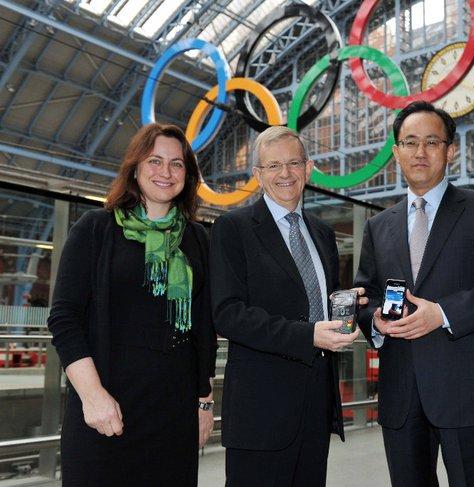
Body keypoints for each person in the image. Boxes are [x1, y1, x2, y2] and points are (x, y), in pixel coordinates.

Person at [353, 101, 474, 486]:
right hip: (400, 393)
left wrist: (443, 314)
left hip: (467, 391)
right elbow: (368, 293)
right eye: (410, 142)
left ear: (450, 151)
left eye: (432, 142)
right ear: (396, 152)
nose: (420, 152)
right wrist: (375, 320)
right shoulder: (379, 226)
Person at [47, 123, 217, 486]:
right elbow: (64, 319)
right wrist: (93, 397)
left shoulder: (197, 238)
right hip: (106, 410)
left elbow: (204, 330)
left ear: (187, 175)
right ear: (135, 167)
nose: (165, 172)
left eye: (176, 164)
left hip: (173, 416)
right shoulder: (96, 228)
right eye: (155, 160)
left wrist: (204, 402)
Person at [210, 126, 364, 487]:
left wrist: (345, 306)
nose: (285, 173)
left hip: (315, 404)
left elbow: (311, 300)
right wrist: (308, 335)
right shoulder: (233, 228)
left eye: (294, 163)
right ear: (258, 174)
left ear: (308, 169)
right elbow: (228, 313)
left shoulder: (322, 233)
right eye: (273, 165)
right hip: (260, 410)